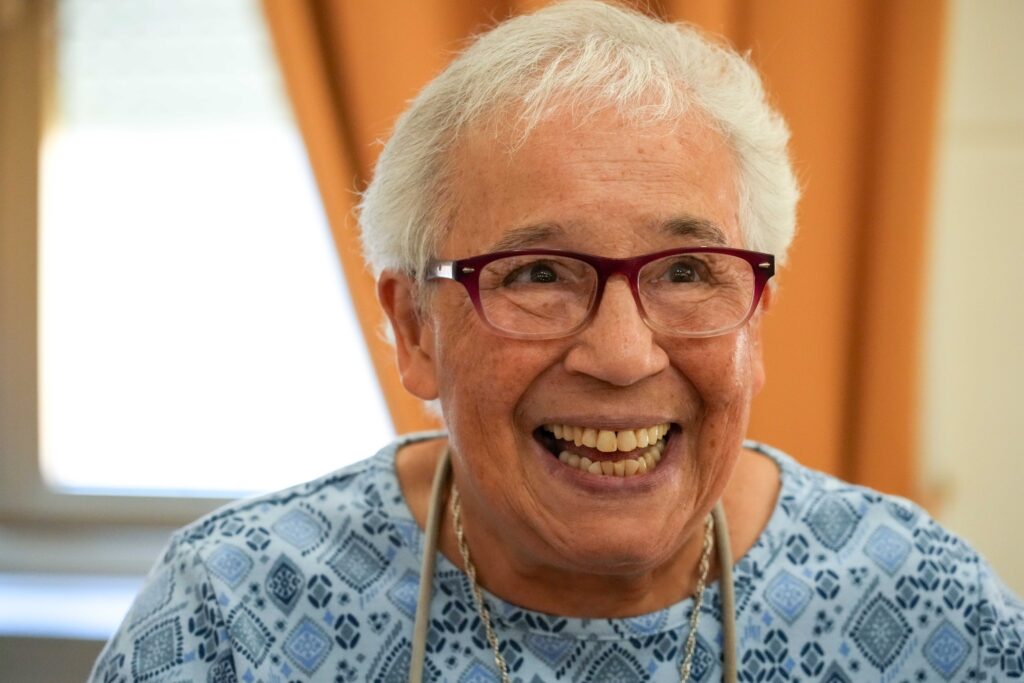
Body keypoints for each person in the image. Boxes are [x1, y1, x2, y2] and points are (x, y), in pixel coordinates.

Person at [90, 2, 1023, 681]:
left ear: (755, 314)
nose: (622, 356)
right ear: (415, 326)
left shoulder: (926, 607)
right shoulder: (231, 612)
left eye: (688, 270)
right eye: (538, 273)